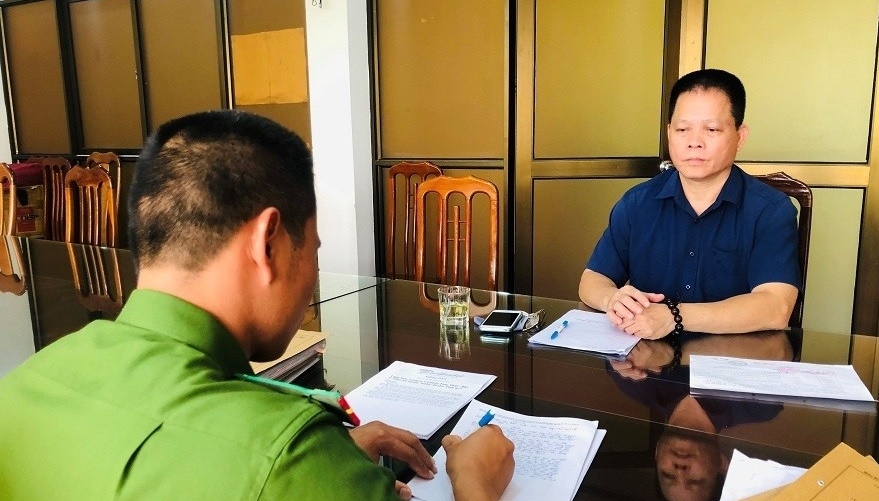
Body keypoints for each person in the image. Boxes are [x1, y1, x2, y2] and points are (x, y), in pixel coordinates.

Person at [0, 110, 514, 501]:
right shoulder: (292, 457)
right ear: (268, 245)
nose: (311, 279)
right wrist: (474, 481)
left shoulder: (24, 388)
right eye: (313, 250)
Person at [579, 68, 800, 338]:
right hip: (645, 356)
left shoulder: (771, 211)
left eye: (712, 129)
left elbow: (776, 307)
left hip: (730, 356)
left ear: (740, 137)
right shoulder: (637, 203)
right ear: (669, 133)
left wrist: (673, 316)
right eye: (682, 129)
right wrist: (612, 299)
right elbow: (593, 279)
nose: (694, 142)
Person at [607, 331, 794, 501]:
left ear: (656, 453)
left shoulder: (634, 383)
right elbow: (779, 348)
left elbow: (604, 325)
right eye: (695, 481)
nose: (680, 470)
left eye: (668, 475)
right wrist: (673, 355)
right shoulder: (757, 407)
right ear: (721, 463)